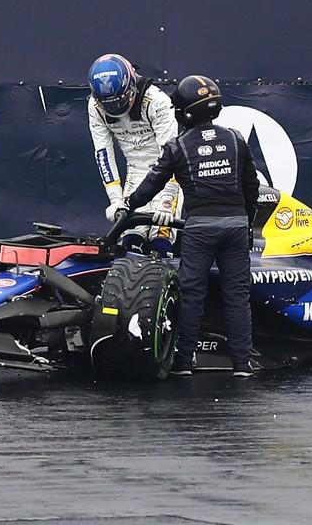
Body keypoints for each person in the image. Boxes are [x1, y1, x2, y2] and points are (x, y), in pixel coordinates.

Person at [122, 75, 260, 378]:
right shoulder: (237, 139)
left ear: (184, 113)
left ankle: (184, 363)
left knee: (192, 294)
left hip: (199, 229)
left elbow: (152, 185)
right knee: (238, 296)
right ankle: (242, 364)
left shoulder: (178, 146)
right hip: (236, 226)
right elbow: (253, 188)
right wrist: (246, 224)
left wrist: (128, 204)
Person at [87, 53, 179, 256]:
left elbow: (173, 154)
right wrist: (115, 199)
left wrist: (167, 199)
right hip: (135, 172)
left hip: (167, 174)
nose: (114, 108)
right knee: (129, 241)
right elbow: (103, 153)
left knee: (160, 240)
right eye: (107, 104)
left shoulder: (157, 101)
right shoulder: (94, 106)